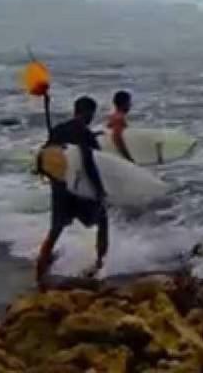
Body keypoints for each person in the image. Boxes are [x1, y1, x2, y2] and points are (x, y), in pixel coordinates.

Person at [35, 96, 108, 286]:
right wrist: (100, 190)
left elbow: (45, 157)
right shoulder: (85, 133)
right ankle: (100, 265)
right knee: (102, 218)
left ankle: (40, 270)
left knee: (56, 229)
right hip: (80, 189)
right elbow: (89, 163)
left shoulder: (59, 129)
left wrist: (50, 179)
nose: (92, 117)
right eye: (92, 114)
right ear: (87, 113)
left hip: (60, 187)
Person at [105, 90, 134, 162]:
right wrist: (128, 158)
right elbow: (117, 138)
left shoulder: (112, 116)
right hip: (121, 155)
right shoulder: (119, 118)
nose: (131, 105)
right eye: (129, 102)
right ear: (124, 104)